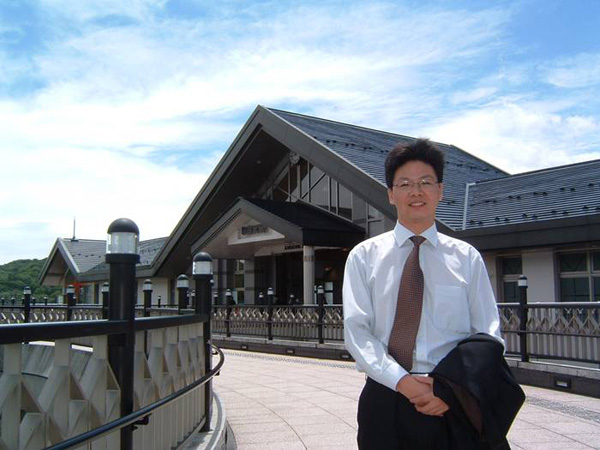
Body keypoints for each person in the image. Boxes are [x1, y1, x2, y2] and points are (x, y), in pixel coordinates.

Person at [343, 139, 504, 449]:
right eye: (405, 184)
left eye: (425, 182)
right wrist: (403, 382)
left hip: (453, 398)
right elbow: (357, 332)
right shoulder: (363, 257)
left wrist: (448, 390)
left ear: (440, 191)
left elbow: (488, 334)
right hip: (385, 395)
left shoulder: (466, 258)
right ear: (391, 194)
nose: (416, 191)